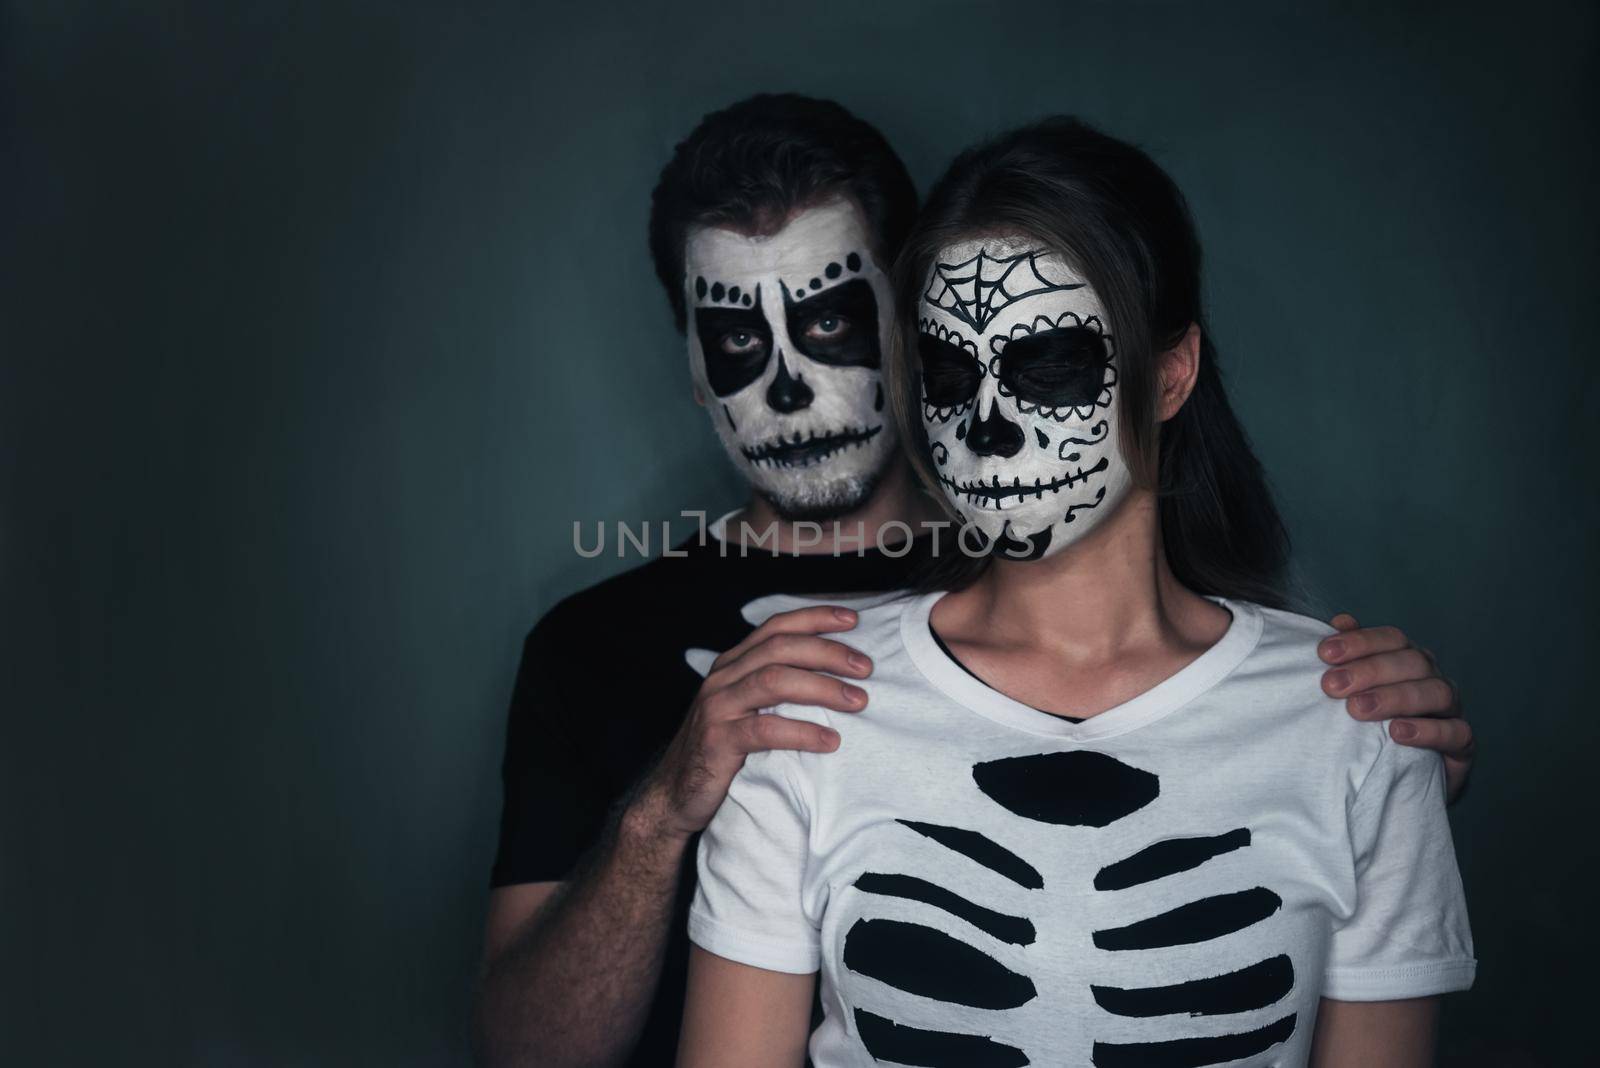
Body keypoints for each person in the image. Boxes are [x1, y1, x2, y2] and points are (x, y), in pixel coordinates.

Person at [474, 97, 1474, 1067]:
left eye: (831, 324)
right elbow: (526, 1053)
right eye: (740, 339)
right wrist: (661, 812)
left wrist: (1372, 778)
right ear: (693, 365)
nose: (786, 385)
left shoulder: (1335, 711)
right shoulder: (725, 683)